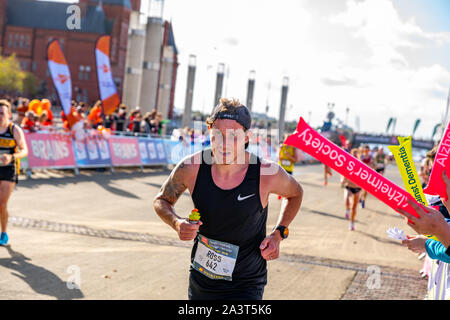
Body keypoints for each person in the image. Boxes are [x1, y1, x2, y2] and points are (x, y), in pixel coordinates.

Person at [153, 98, 303, 300]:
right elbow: (162, 200)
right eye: (217, 135)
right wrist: (177, 223)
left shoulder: (266, 173)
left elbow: (295, 193)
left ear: (247, 137)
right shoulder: (192, 167)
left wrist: (278, 234)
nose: (224, 144)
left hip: (246, 283)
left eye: (233, 136)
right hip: (202, 281)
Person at [0, 100, 28, 245]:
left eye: (2, 113)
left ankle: (3, 233)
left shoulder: (14, 130)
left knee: (1, 204)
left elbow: (24, 150)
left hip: (9, 170)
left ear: (9, 115)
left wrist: (11, 156)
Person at [343, 148, 362, 231]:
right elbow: (343, 173)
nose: (354, 155)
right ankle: (347, 209)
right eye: (353, 153)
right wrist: (343, 179)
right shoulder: (347, 164)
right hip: (348, 186)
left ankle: (352, 222)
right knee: (347, 202)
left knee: (354, 208)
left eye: (356, 153)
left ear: (358, 155)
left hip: (357, 188)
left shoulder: (361, 165)